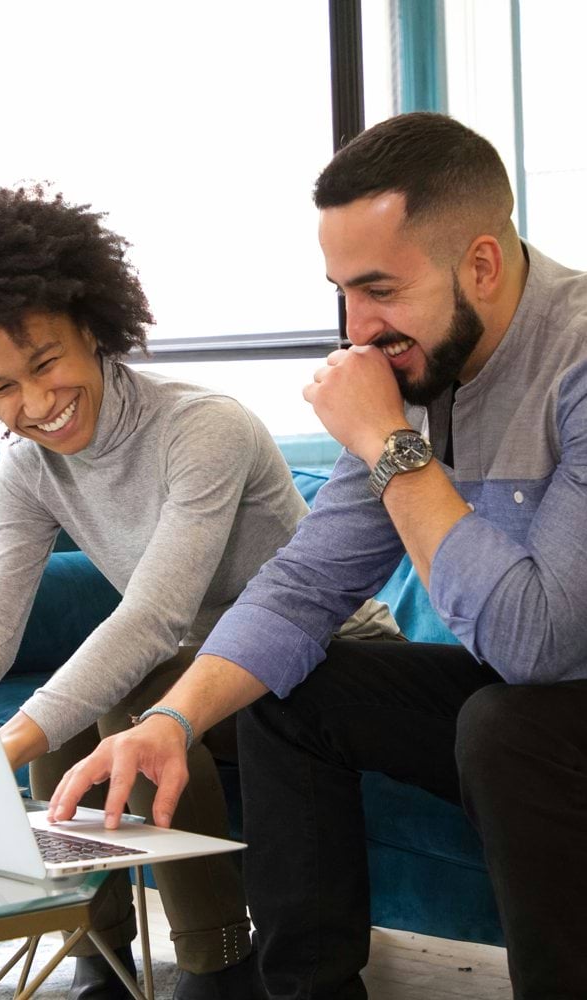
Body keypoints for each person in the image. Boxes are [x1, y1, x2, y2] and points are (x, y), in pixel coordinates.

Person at [48, 112, 587, 1000]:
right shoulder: (417, 371)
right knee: (295, 693)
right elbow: (303, 586)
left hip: (553, 695)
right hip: (531, 699)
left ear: (482, 264)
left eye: (380, 289)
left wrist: (390, 446)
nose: (357, 326)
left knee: (505, 726)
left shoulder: (569, 365)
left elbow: (538, 647)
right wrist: (170, 722)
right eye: (341, 290)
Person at [0, 182, 317, 1000]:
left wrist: (6, 743)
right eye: (3, 389)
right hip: (197, 675)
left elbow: (154, 619)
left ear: (94, 329)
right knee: (83, 708)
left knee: (126, 697)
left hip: (316, 665)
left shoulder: (202, 428)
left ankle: (219, 967)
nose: (36, 404)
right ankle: (95, 953)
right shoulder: (26, 471)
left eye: (45, 363)